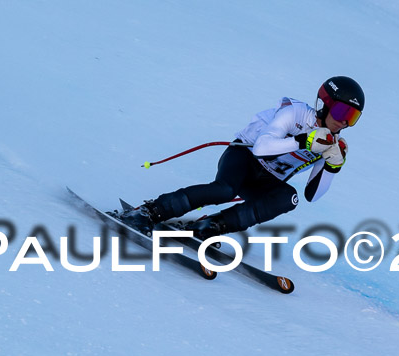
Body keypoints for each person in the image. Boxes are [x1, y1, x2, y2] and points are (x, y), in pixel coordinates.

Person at [121, 76, 365, 239]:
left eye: (353, 117)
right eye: (343, 111)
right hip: (244, 157)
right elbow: (261, 147)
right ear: (325, 104)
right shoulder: (296, 113)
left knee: (288, 198)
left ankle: (212, 225)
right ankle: (149, 212)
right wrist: (303, 141)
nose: (345, 121)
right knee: (225, 190)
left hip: (265, 179)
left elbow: (312, 195)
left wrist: (333, 167)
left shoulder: (332, 144)